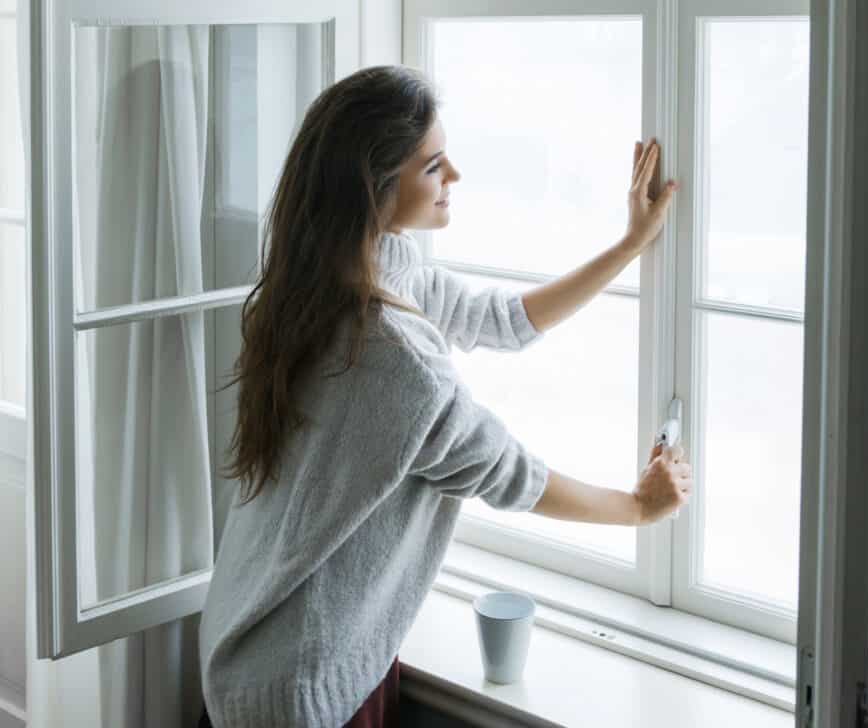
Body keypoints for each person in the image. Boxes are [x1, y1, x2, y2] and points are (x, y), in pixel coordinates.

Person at [197, 64, 691, 728]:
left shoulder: (335, 274)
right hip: (299, 686)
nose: (453, 176)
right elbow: (508, 473)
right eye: (433, 166)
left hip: (249, 644)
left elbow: (502, 320)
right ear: (374, 187)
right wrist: (637, 508)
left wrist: (629, 246)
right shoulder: (394, 359)